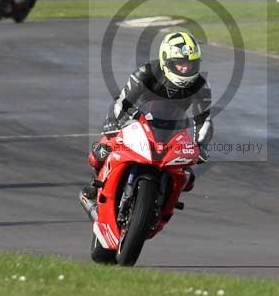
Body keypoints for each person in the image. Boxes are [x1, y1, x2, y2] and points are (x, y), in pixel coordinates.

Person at [81, 32, 213, 205]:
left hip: (174, 130)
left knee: (188, 177)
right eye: (180, 63)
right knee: (100, 152)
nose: (185, 68)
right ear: (166, 60)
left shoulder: (201, 85)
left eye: (190, 64)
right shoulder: (146, 72)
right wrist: (113, 121)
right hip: (138, 121)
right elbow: (123, 100)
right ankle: (95, 184)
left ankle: (164, 205)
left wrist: (200, 146)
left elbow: (204, 120)